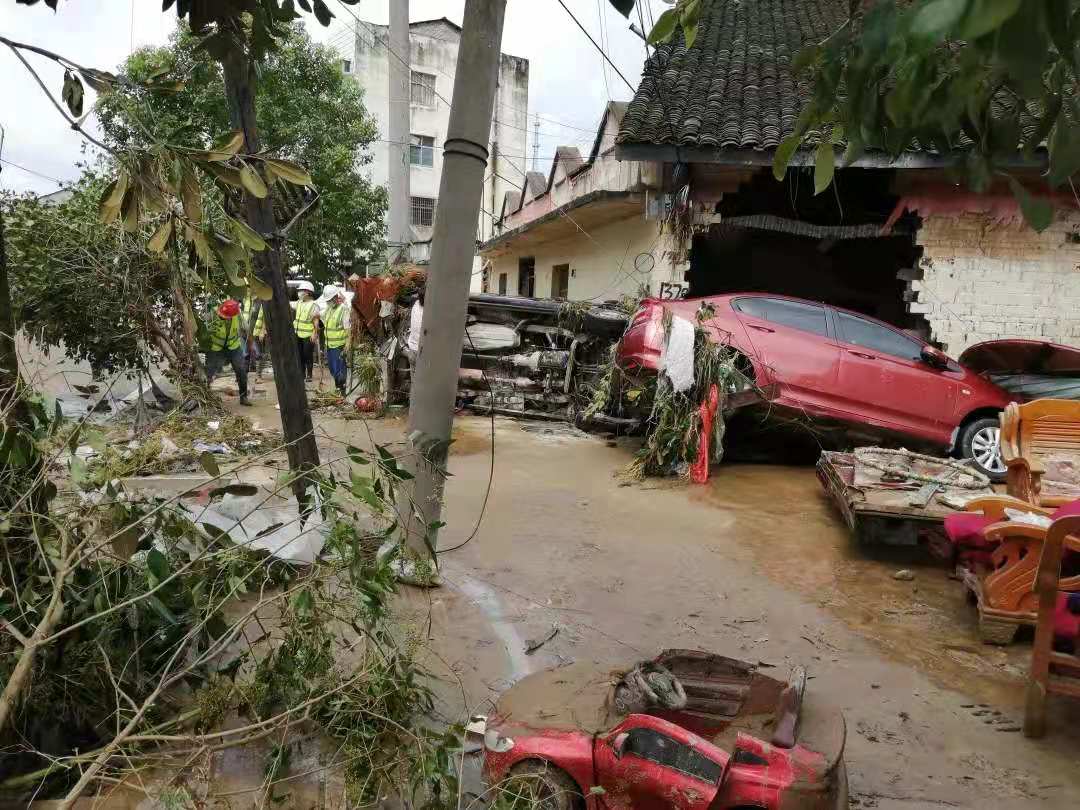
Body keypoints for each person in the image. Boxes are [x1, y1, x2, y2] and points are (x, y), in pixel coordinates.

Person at [206, 298, 250, 406]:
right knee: (209, 372)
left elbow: (245, 328)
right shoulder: (212, 312)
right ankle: (204, 397)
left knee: (241, 371)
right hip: (217, 348)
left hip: (233, 346)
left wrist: (250, 345)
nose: (222, 317)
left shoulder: (237, 314)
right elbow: (204, 330)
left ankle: (243, 397)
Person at [320, 285, 350, 396]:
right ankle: (339, 389)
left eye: (329, 300)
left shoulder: (343, 309)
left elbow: (347, 328)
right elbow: (321, 317)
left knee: (339, 370)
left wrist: (347, 344)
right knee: (333, 370)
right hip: (329, 345)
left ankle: (341, 392)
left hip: (339, 345)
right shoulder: (329, 309)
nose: (328, 302)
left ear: (334, 298)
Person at [293, 281, 317, 381]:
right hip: (297, 333)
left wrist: (314, 333)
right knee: (299, 355)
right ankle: (302, 374)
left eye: (301, 291)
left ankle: (309, 374)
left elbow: (316, 320)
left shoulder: (313, 305)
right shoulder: (298, 303)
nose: (299, 293)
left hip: (308, 335)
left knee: (307, 355)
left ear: (307, 292)